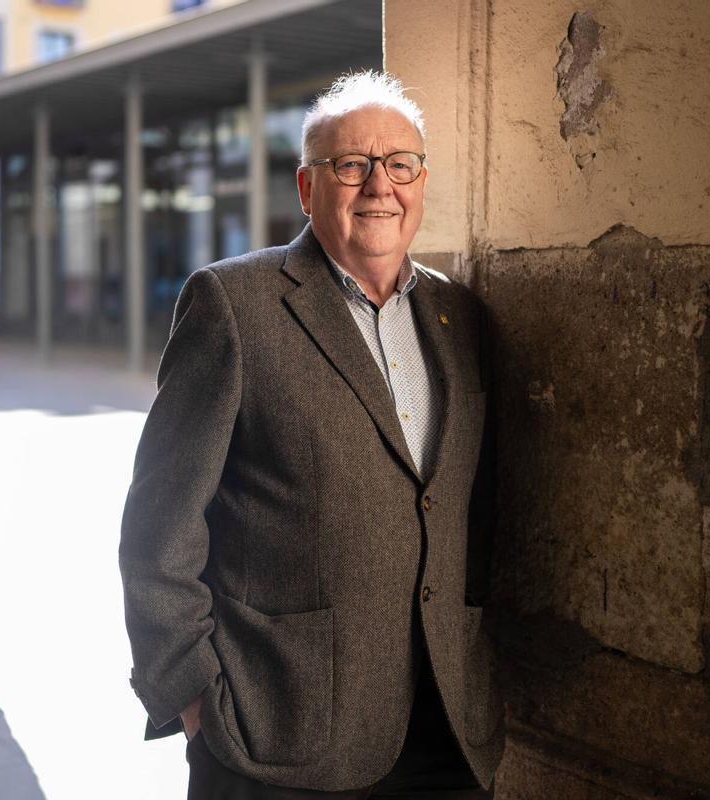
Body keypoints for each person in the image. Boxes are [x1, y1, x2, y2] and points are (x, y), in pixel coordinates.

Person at [119, 70, 503, 798]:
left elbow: (473, 512)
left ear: (421, 181)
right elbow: (158, 524)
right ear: (306, 187)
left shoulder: (462, 321)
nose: (379, 186)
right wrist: (195, 699)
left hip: (446, 734)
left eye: (400, 165)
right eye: (351, 165)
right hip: (280, 736)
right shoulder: (235, 305)